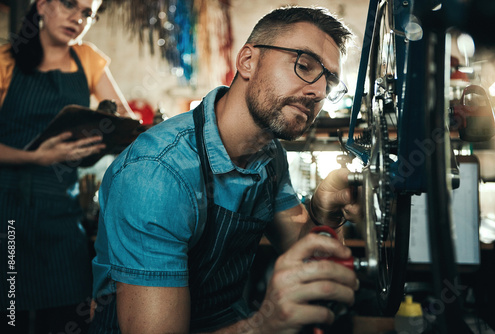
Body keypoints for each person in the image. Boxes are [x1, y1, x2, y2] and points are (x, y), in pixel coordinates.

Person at [90, 5, 361, 334]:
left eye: (329, 83)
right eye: (304, 66)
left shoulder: (270, 155)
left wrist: (325, 214)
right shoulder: (157, 173)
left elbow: (304, 254)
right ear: (248, 61)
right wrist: (264, 324)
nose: (318, 91)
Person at [0, 0, 135, 333]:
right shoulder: (5, 60)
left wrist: (102, 134)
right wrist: (36, 158)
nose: (78, 17)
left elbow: (128, 124)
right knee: (10, 312)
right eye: (69, 5)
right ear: (42, 7)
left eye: (88, 13)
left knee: (68, 311)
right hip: (7, 210)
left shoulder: (87, 59)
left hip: (61, 210)